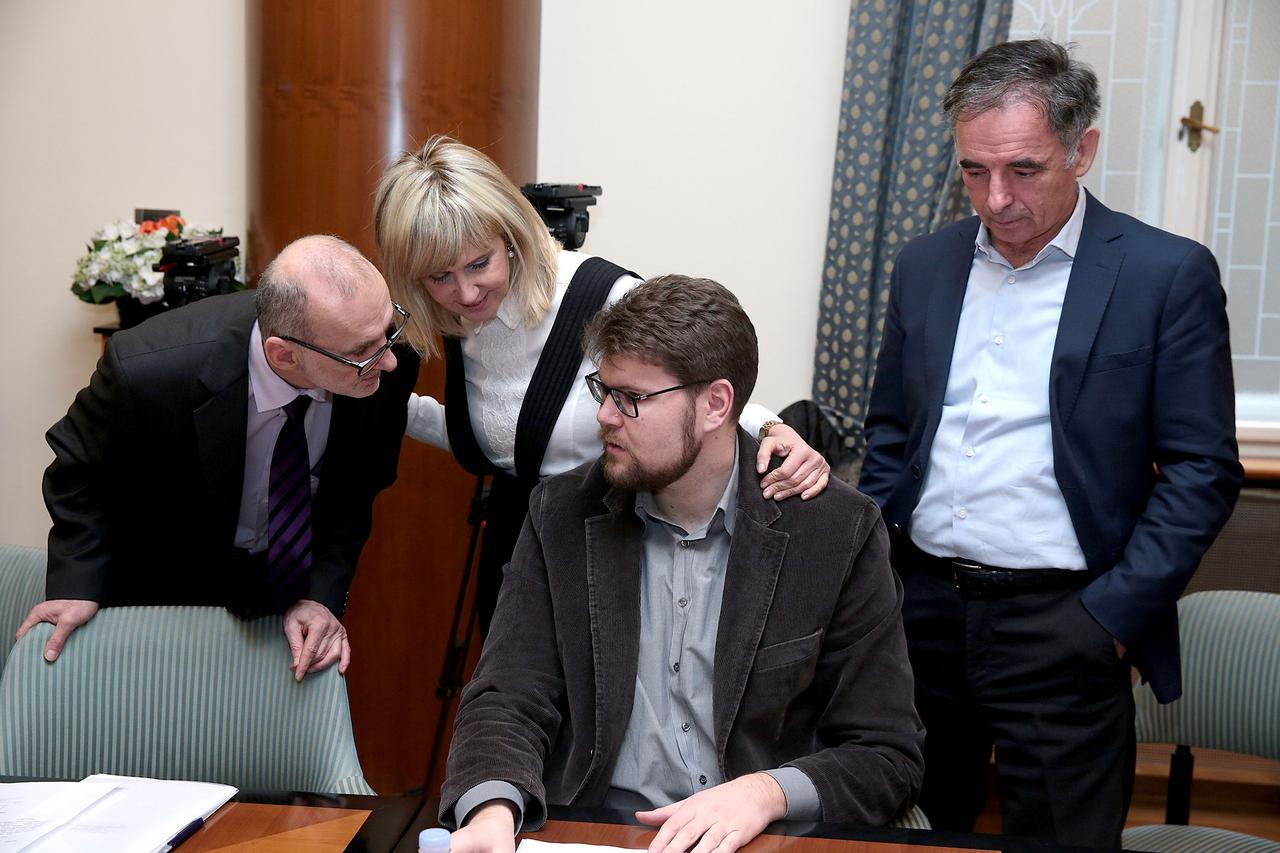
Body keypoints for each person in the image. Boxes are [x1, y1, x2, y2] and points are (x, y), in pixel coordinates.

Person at [858, 39, 1242, 847]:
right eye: (973, 170)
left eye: (1023, 169)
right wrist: (876, 577)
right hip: (920, 616)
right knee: (901, 833)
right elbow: (892, 432)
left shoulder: (1164, 275)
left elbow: (1202, 470)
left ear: (1083, 149)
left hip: (1065, 622)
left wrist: (1108, 616)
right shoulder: (923, 266)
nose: (995, 198)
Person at [439, 275, 924, 853]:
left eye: (632, 400)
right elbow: (508, 696)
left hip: (762, 836)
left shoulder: (833, 531)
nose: (606, 418)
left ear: (716, 403)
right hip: (596, 832)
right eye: (603, 390)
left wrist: (766, 792)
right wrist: (492, 811)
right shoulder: (562, 514)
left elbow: (885, 752)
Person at [373, 136, 832, 630]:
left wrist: (771, 429)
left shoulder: (602, 295)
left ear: (510, 236)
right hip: (519, 542)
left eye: (478, 264)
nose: (464, 292)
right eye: (440, 277)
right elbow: (508, 436)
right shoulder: (462, 318)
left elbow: (692, 389)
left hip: (612, 540)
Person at [17, 235, 420, 681]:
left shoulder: (382, 358)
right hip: (163, 586)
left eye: (389, 328)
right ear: (283, 355)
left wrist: (322, 594)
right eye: (363, 352)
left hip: (287, 594)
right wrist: (77, 583)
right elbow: (77, 471)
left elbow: (355, 491)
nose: (388, 362)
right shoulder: (150, 371)